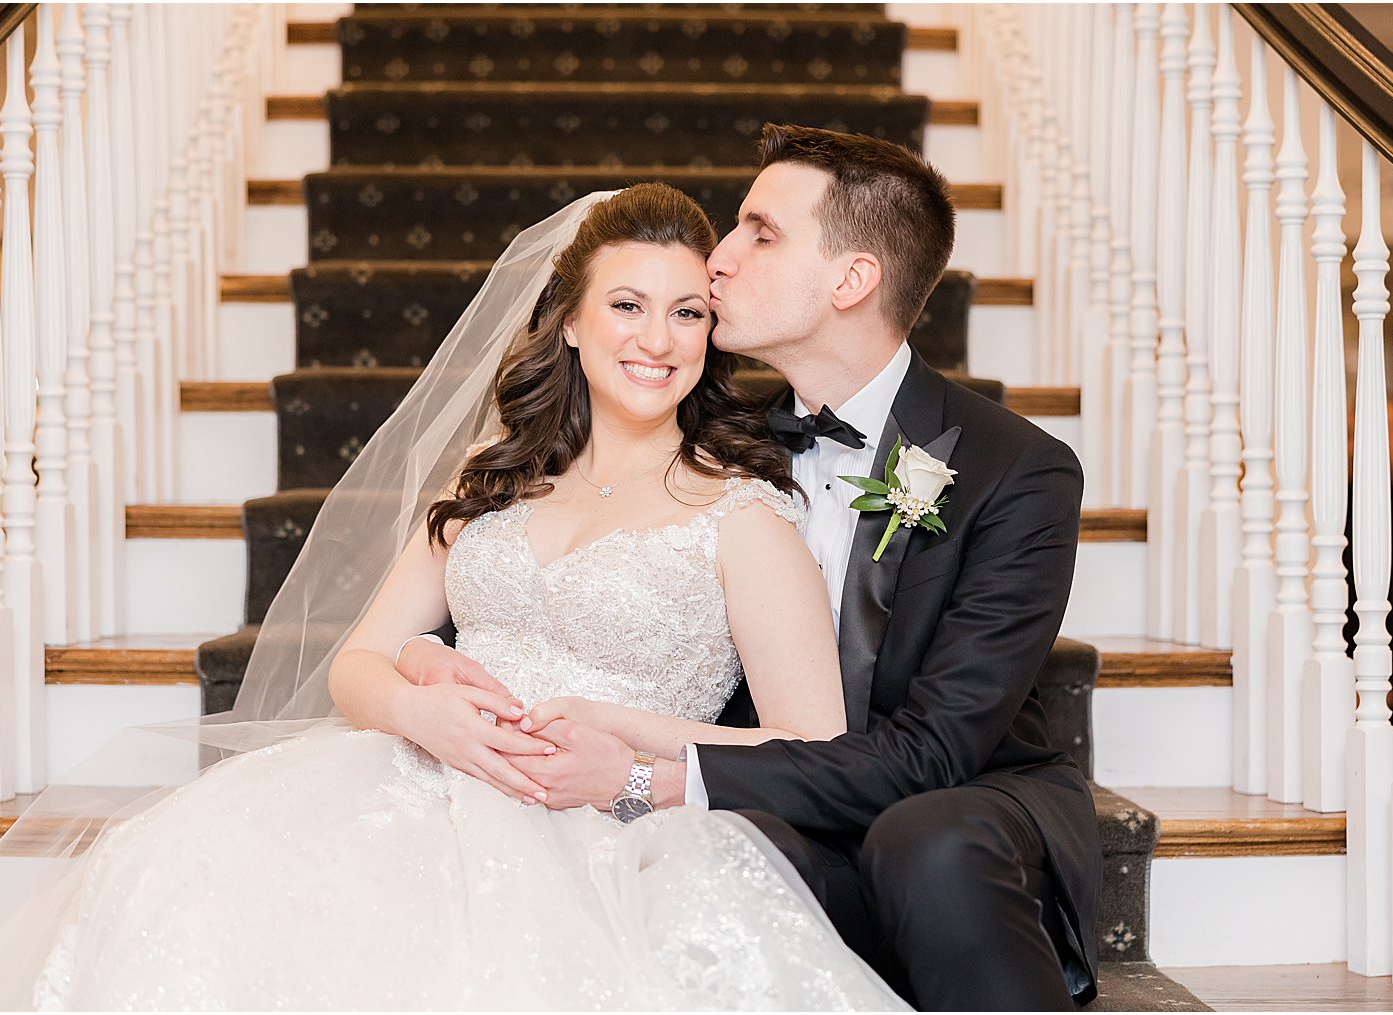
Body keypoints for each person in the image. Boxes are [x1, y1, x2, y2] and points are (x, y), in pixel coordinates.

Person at [0, 184, 908, 1011]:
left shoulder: (742, 515)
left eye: (687, 311)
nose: (656, 339)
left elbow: (813, 748)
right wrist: (421, 706)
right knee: (188, 898)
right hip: (404, 779)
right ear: (569, 320)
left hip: (605, 833)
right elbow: (356, 664)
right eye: (625, 305)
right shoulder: (496, 480)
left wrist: (619, 748)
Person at [401, 126, 1104, 1011]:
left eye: (759, 233)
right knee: (712, 860)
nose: (719, 260)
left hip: (960, 796)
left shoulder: (1017, 469)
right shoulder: (713, 447)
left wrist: (642, 777)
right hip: (771, 794)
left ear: (851, 280)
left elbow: (933, 750)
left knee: (926, 837)